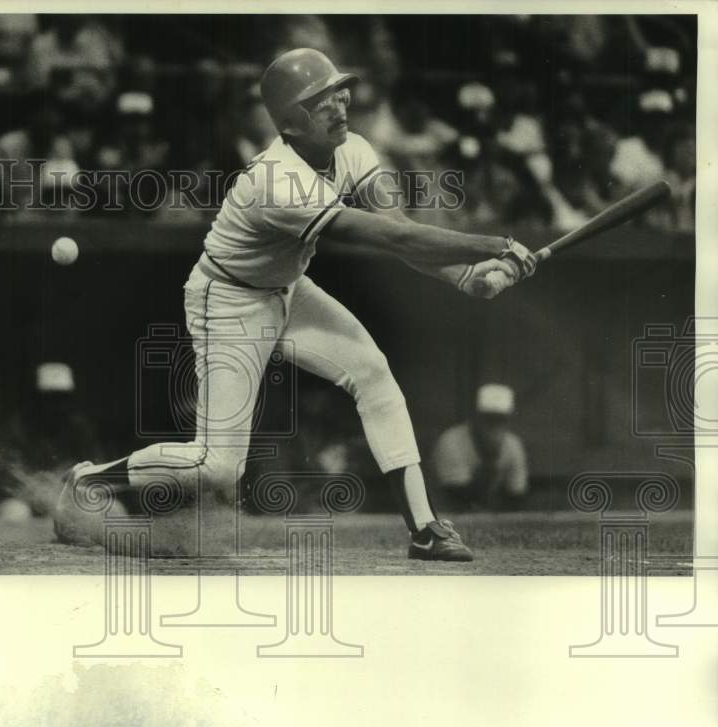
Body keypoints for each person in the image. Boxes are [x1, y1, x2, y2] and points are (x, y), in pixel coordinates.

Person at [56, 49, 538, 562]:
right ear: (290, 122)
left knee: (373, 374)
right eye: (320, 99)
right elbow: (393, 238)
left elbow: (401, 229)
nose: (339, 104)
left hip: (289, 288)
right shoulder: (276, 182)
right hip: (229, 300)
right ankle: (88, 479)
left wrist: (467, 278)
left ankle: (425, 528)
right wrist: (492, 246)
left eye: (338, 92)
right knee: (216, 467)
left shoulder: (352, 150)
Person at [432, 384, 529, 511]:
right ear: (475, 417)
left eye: (501, 420)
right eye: (488, 418)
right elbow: (459, 496)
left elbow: (516, 496)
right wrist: (490, 459)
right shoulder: (451, 441)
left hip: (488, 520)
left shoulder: (513, 444)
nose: (494, 426)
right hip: (444, 516)